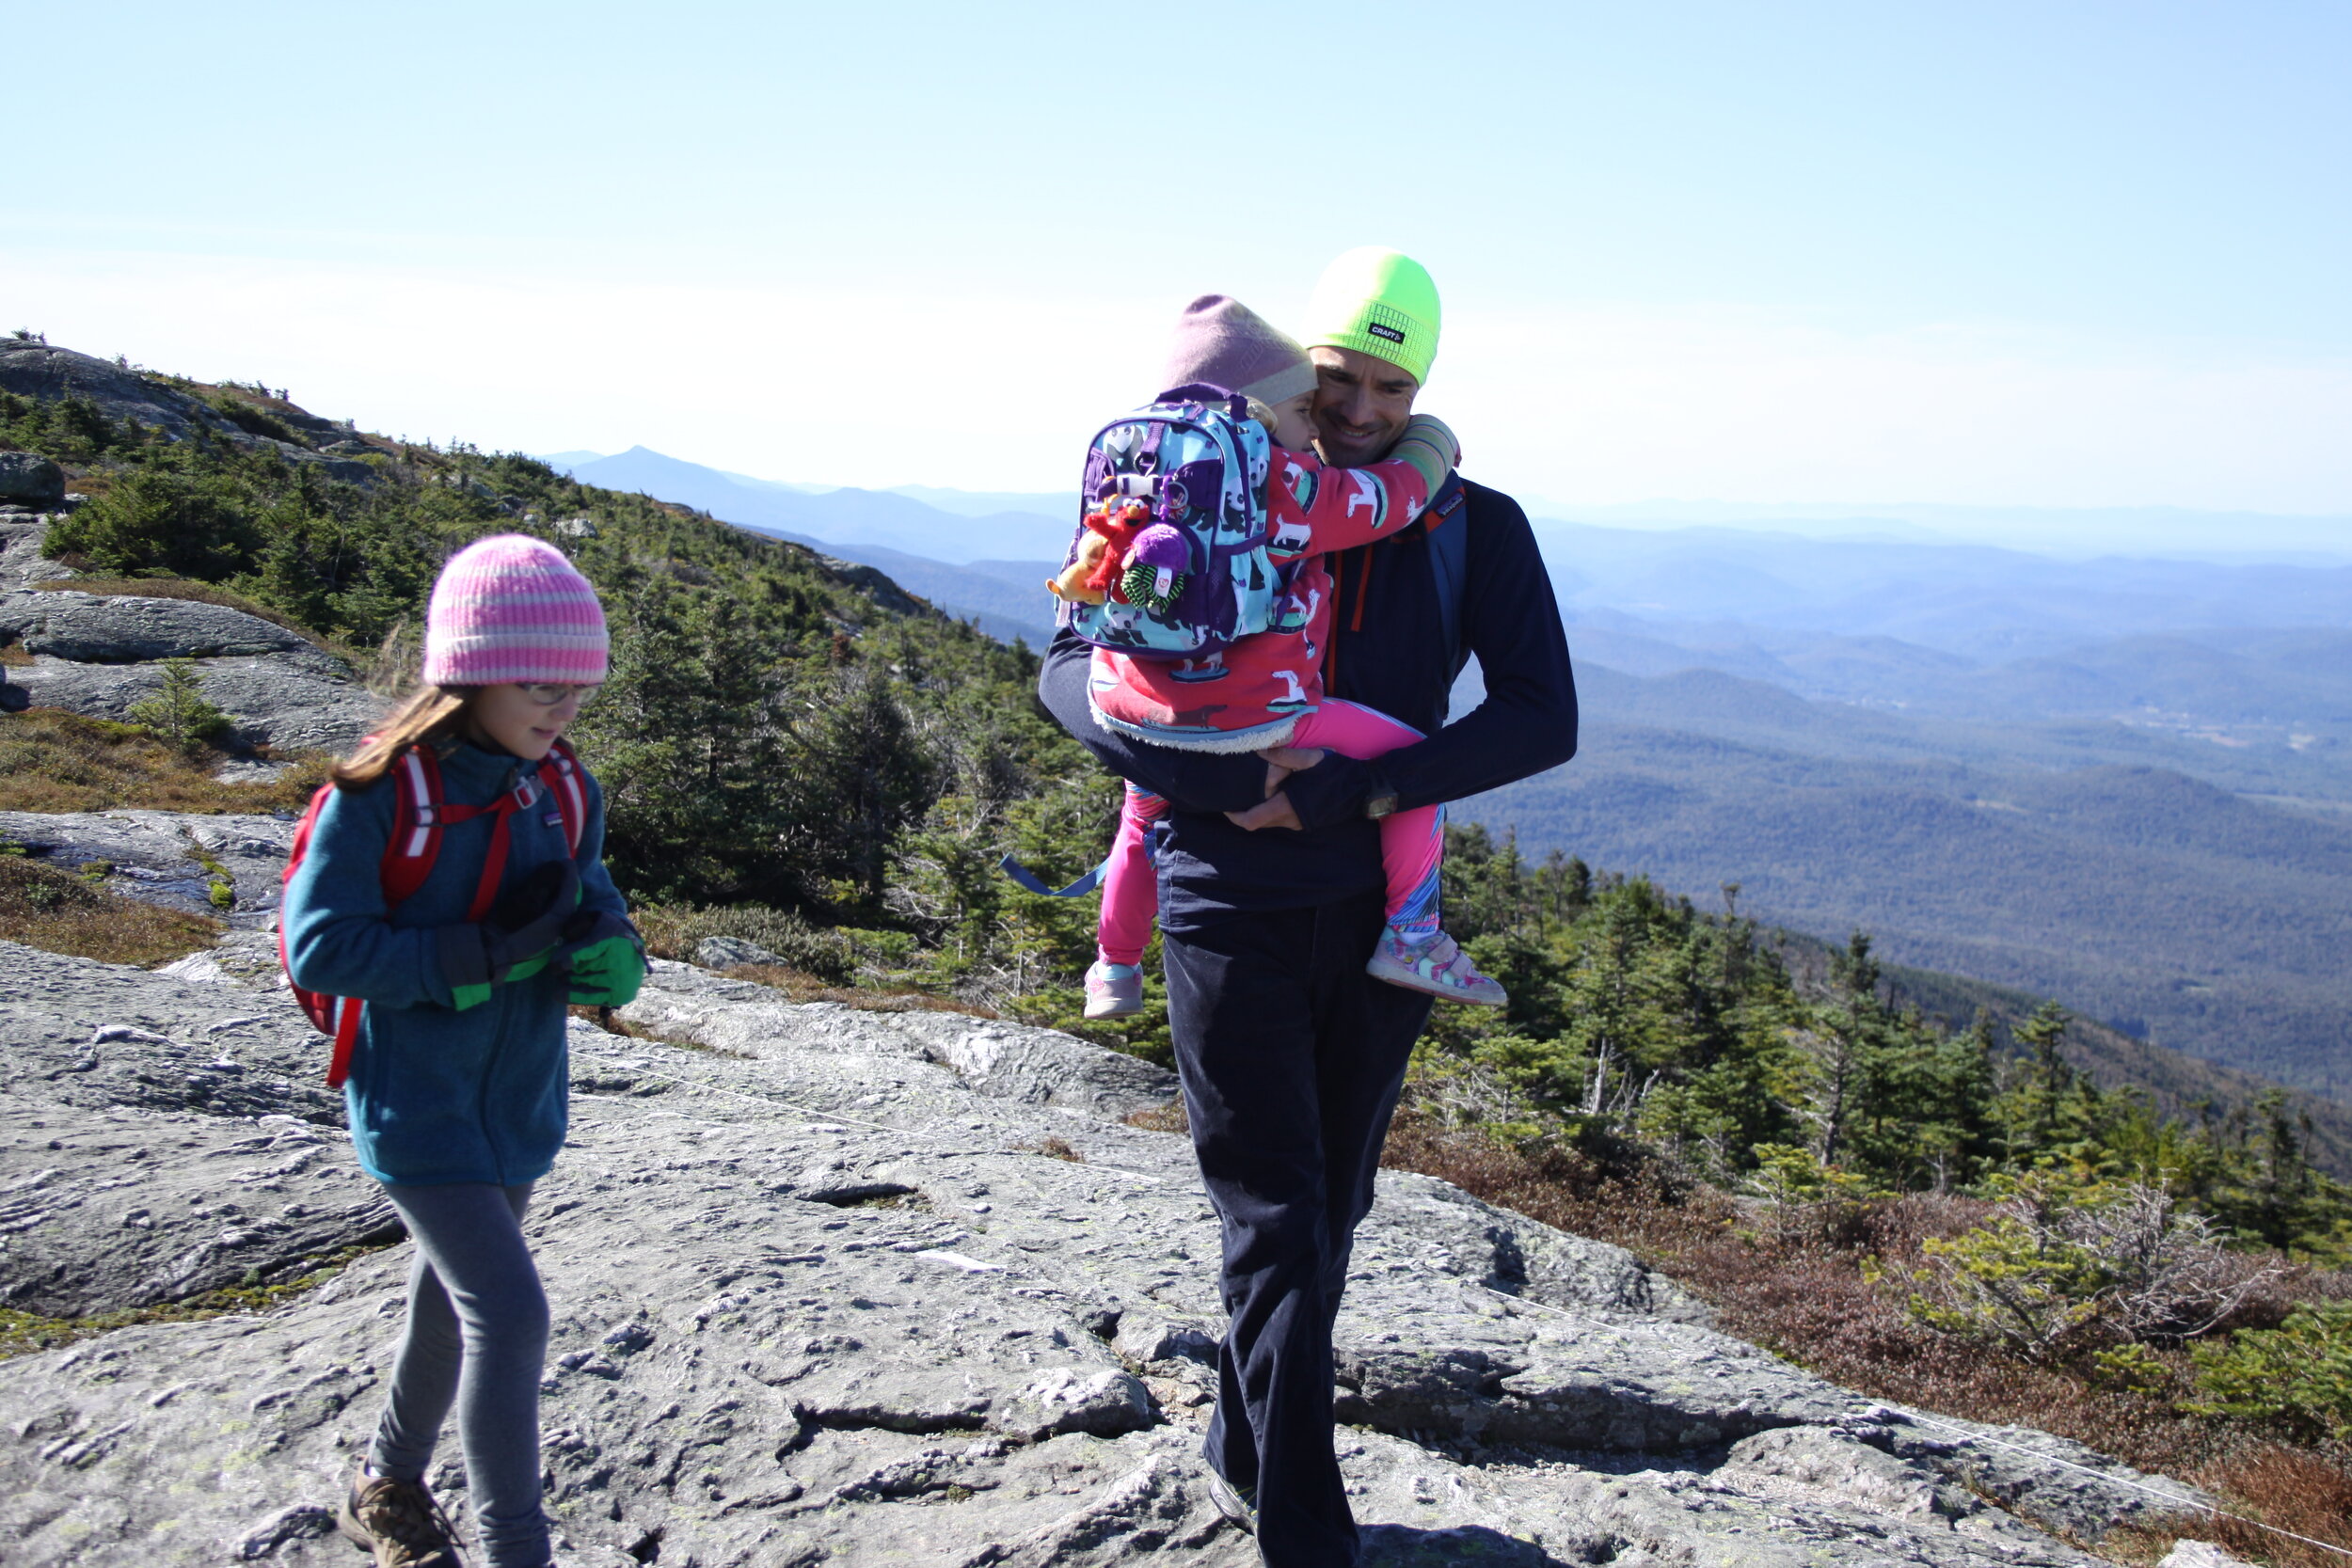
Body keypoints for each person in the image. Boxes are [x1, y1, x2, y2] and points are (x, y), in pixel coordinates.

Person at [1038, 247, 1579, 1566]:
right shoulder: (1193, 478)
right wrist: (1193, 772)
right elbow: (1067, 664)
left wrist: (1353, 789)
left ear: (1422, 389)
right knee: (1273, 1210)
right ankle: (1304, 1533)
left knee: (1331, 1205)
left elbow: (1541, 716)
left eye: (1393, 384)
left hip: (1377, 912)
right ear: (1299, 367)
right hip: (1224, 895)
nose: (1362, 406)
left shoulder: (1471, 524)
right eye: (1341, 375)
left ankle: (1239, 1442)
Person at [282, 535, 644, 1568]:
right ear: (468, 670)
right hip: (419, 1107)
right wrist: (477, 959)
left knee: (449, 1307)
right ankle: (514, 1549)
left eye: (579, 686)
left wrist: (615, 954)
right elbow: (323, 946)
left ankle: (384, 1483)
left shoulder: (562, 785)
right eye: (539, 683)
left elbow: (596, 896)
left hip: (520, 1102)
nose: (562, 707)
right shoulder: (381, 791)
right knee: (512, 1315)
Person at [1072, 294, 1508, 1022]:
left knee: (1138, 826)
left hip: (1134, 710)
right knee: (1411, 761)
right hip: (1254, 715)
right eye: (1306, 409)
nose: (1317, 426)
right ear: (1264, 415)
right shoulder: (1286, 485)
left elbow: (1116, 596)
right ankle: (1413, 933)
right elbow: (1392, 499)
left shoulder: (1142, 483)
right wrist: (1430, 437)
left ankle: (1113, 968)